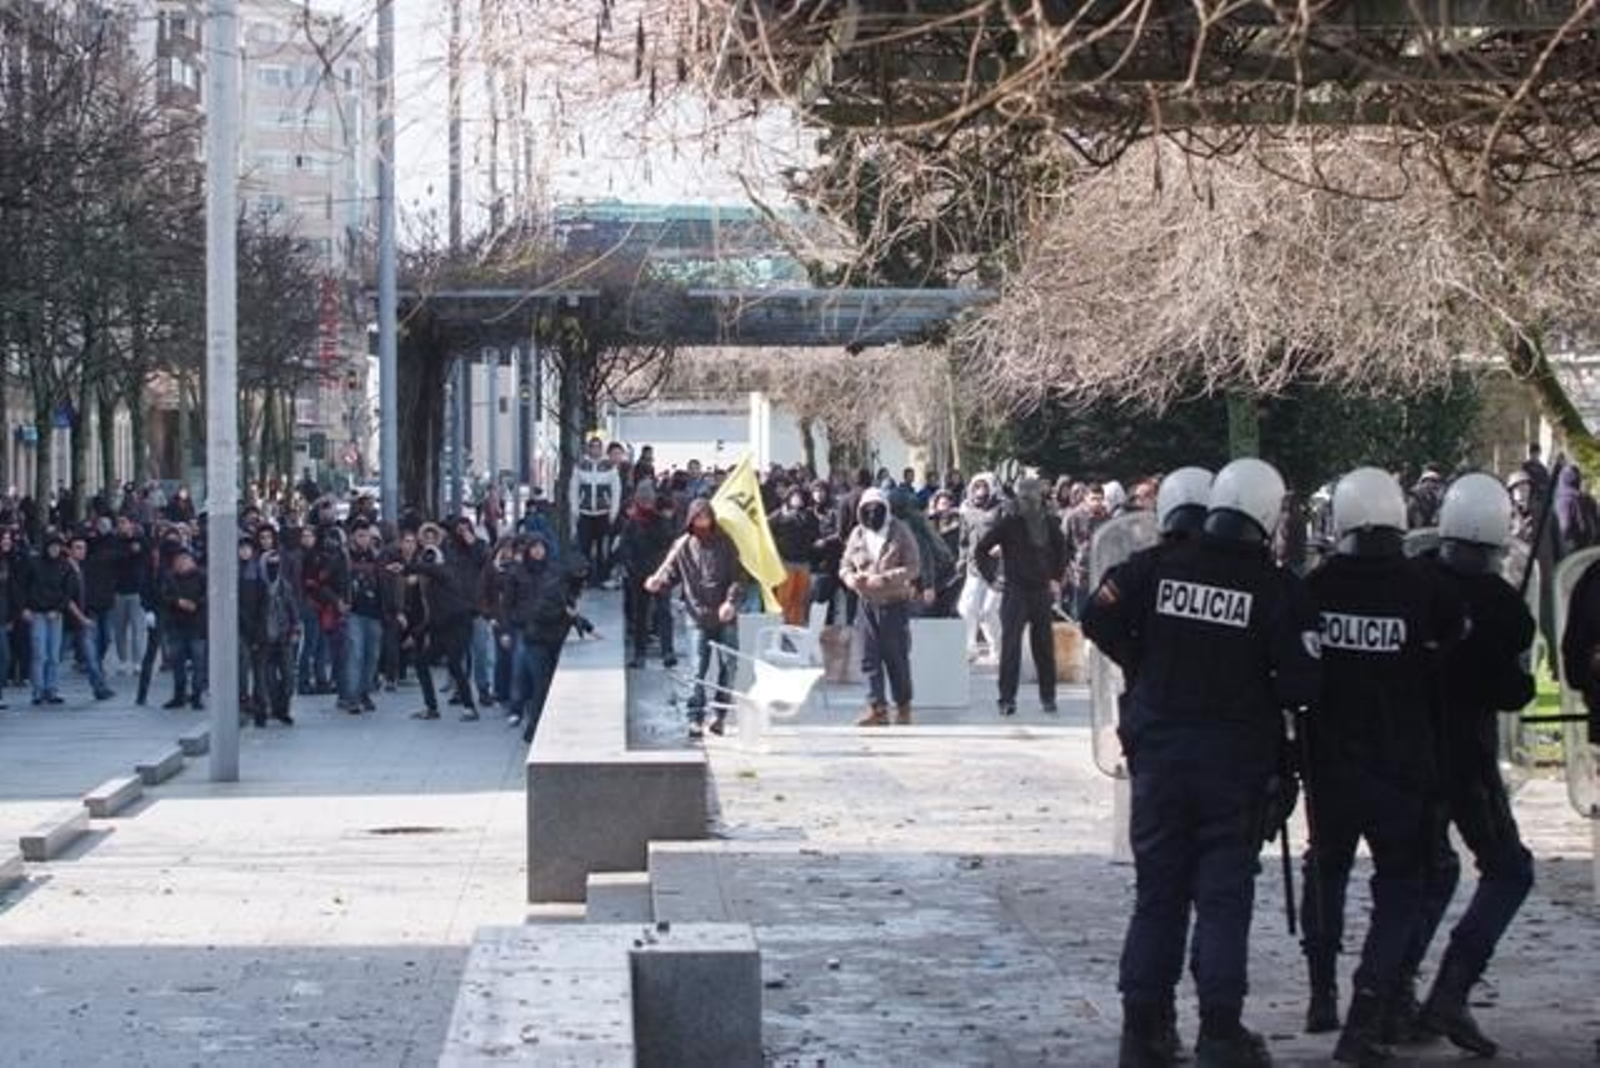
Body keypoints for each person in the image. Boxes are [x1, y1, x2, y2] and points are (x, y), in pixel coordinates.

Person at [1083, 458, 1321, 1068]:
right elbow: (1302, 683)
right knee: (1222, 897)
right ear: (1266, 517)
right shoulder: (1273, 587)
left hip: (1160, 757)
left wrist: (1145, 664)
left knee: (1158, 893)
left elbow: (1096, 615)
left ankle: (1144, 1029)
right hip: (1234, 768)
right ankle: (1220, 1030)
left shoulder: (1156, 569)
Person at [1298, 467, 1465, 1065]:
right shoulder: (1424, 588)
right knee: (1400, 887)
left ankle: (1321, 991)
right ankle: (1369, 1010)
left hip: (1330, 763)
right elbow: (1454, 648)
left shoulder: (1317, 587)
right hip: (1400, 764)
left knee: (1327, 870)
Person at [1399, 472, 1534, 1057]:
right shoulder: (1501, 607)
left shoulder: (1414, 583)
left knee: (1429, 871)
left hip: (1410, 754)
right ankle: (1451, 989)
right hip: (1467, 761)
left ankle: (1393, 992)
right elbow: (1509, 690)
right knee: (1508, 870)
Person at [645, 498, 746, 739]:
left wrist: (731, 601)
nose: (702, 521)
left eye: (706, 516)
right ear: (691, 520)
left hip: (725, 615)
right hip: (696, 615)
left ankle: (719, 715)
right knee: (697, 669)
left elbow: (738, 577)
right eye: (698, 517)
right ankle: (695, 717)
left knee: (729, 665)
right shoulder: (683, 546)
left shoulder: (725, 543)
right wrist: (658, 583)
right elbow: (671, 575)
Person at [976, 477, 1068, 716]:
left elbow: (1062, 550)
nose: (1029, 500)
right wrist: (991, 578)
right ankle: (1007, 699)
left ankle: (1048, 697)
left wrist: (1056, 578)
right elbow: (981, 549)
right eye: (1024, 496)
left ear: (1040, 497)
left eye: (1033, 495)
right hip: (1015, 591)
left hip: (1040, 591)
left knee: (1044, 647)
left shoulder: (1050, 523)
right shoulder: (1008, 524)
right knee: (1010, 647)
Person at [839, 487, 921, 727]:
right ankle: (877, 708)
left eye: (877, 509)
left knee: (896, 657)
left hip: (893, 604)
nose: (872, 514)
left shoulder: (900, 531)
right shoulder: (857, 533)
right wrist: (850, 579)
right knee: (868, 658)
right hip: (865, 604)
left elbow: (914, 566)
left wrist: (885, 578)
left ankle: (903, 706)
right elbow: (844, 563)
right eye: (866, 510)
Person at [500, 534, 574, 741]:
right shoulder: (517, 573)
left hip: (553, 632)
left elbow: (565, 601)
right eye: (534, 548)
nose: (538, 551)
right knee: (532, 676)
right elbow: (507, 604)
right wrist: (507, 628)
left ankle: (542, 721)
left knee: (548, 680)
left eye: (541, 547)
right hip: (528, 632)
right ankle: (528, 721)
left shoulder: (554, 571)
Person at [617, 480, 677, 670]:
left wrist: (657, 519)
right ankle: (639, 654)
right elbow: (625, 547)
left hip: (659, 573)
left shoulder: (661, 520)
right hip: (639, 575)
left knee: (664, 612)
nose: (646, 503)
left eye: (648, 500)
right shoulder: (632, 523)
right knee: (641, 614)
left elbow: (668, 541)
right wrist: (629, 566)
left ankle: (668, 651)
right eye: (642, 500)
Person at [23, 534, 77, 706]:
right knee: (40, 654)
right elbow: (23, 585)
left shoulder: (65, 566)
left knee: (54, 655)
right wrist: (25, 608)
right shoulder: (34, 563)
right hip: (37, 612)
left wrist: (59, 609)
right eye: (51, 546)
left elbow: (69, 591)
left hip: (56, 614)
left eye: (57, 547)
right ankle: (37, 691)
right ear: (46, 547)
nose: (54, 549)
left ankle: (52, 689)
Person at [957, 472, 1004, 661]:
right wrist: (962, 559)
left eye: (984, 486)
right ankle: (970, 648)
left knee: (988, 611)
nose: (980, 491)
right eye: (976, 486)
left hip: (999, 569)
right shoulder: (966, 509)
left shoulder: (1003, 507)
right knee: (967, 608)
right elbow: (963, 539)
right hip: (975, 567)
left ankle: (998, 649)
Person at [159, 545, 207, 710]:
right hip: (176, 625)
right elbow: (163, 596)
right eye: (178, 560)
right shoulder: (169, 577)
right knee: (177, 662)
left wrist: (196, 604)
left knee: (199, 663)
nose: (181, 563)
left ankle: (196, 696)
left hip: (197, 626)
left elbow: (208, 595)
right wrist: (178, 602)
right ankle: (179, 695)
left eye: (185, 560)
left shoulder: (202, 576)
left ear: (192, 561)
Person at [570, 437, 621, 587]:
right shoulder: (580, 465)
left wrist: (613, 511)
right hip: (584, 512)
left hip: (603, 513)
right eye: (592, 447)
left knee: (602, 548)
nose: (595, 450)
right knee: (584, 547)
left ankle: (601, 578)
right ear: (588, 448)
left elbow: (616, 490)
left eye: (598, 447)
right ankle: (584, 578)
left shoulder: (609, 466)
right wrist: (575, 509)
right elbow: (573, 488)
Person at [769, 483, 819, 626]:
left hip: (803, 561)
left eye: (800, 496)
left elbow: (815, 532)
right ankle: (781, 626)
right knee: (785, 597)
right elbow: (767, 528)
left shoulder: (808, 515)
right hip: (786, 562)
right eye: (794, 496)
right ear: (788, 498)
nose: (798, 499)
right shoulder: (779, 514)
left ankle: (797, 626)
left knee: (801, 597)